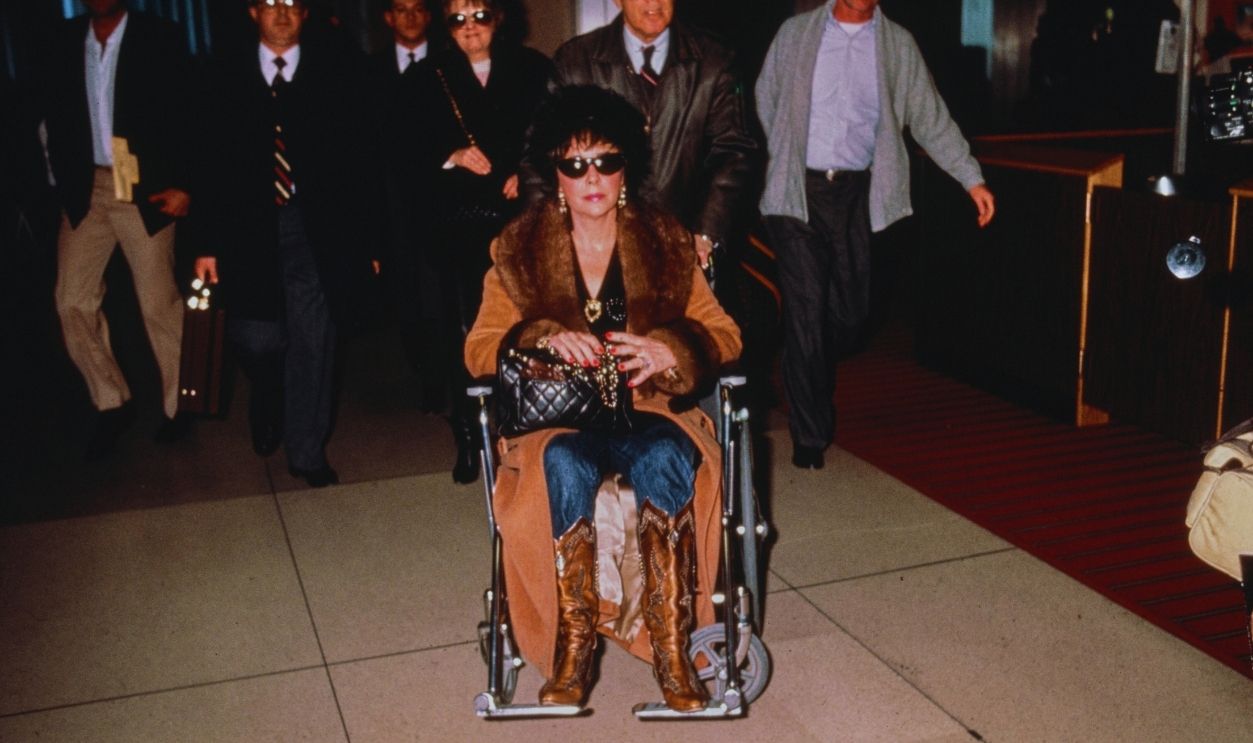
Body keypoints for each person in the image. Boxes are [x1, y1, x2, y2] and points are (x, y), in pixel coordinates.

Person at [464, 85, 741, 712]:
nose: (593, 177)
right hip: (559, 415)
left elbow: (724, 331)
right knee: (564, 464)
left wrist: (674, 349)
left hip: (648, 408)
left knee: (667, 459)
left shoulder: (667, 241)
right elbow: (479, 349)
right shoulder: (518, 249)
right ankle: (572, 649)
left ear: (626, 170)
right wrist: (540, 338)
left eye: (607, 161)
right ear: (555, 176)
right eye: (575, 164)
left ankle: (672, 650)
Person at [756, 0, 995, 470]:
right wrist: (785, 153)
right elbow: (768, 98)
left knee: (850, 316)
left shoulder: (897, 46)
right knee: (806, 312)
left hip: (858, 195)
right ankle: (810, 433)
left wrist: (971, 177)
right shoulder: (796, 34)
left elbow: (929, 116)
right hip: (796, 192)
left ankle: (813, 371)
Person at [194, 0, 380, 488]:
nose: (282, 13)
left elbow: (362, 162)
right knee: (257, 337)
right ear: (253, 12)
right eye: (271, 3)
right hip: (246, 227)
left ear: (306, 13)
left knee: (313, 338)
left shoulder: (339, 72)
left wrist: (368, 241)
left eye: (292, 4)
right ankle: (270, 392)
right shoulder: (222, 73)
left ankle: (306, 450)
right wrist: (206, 243)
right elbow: (206, 164)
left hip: (315, 226)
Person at [42, 0, 194, 457]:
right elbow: (52, 117)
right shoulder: (63, 41)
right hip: (87, 187)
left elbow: (189, 113)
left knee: (158, 304)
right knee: (70, 299)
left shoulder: (159, 37)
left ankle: (178, 406)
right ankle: (111, 401)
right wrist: (60, 184)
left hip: (144, 188)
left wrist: (183, 183)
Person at [414, 0, 551, 483]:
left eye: (480, 16)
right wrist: (450, 154)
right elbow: (402, 145)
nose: (470, 28)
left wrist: (527, 171)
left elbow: (554, 132)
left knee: (527, 329)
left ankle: (523, 431)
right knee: (468, 333)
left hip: (522, 223)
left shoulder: (535, 70)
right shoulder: (426, 77)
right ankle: (470, 436)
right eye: (458, 19)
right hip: (458, 227)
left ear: (500, 19)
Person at [538, 0, 760, 276]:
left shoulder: (715, 61)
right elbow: (542, 156)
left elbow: (733, 151)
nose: (653, 2)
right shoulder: (575, 61)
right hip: (597, 245)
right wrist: (548, 236)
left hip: (684, 241)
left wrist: (707, 230)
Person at [368, 0, 445, 411]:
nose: (411, 17)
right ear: (388, 17)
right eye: (401, 9)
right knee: (407, 302)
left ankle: (440, 380)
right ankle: (421, 367)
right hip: (392, 207)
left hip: (441, 205)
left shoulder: (449, 64)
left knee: (438, 299)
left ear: (429, 16)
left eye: (418, 8)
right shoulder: (369, 72)